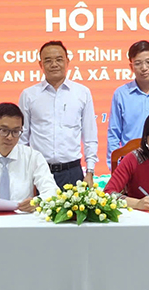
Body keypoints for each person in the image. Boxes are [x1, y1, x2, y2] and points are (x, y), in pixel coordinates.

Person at [19, 40, 98, 187]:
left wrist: (90, 171)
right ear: (40, 64)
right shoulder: (29, 95)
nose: (54, 64)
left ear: (67, 62)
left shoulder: (82, 93)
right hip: (39, 171)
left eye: (59, 59)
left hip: (72, 172)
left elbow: (90, 136)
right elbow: (22, 138)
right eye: (48, 60)